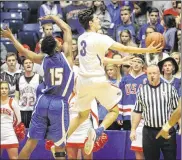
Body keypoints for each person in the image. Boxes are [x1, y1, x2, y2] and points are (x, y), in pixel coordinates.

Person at [66, 8, 162, 155]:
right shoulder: (99, 38)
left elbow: (98, 59)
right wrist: (146, 50)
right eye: (96, 19)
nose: (99, 20)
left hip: (83, 83)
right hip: (96, 80)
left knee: (82, 116)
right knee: (114, 111)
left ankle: (61, 139)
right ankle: (99, 130)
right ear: (91, 22)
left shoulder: (81, 38)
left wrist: (120, 60)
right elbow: (123, 47)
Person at [0, 14, 73, 159]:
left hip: (42, 102)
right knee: (59, 146)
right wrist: (53, 17)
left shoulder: (43, 59)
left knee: (31, 142)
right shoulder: (67, 56)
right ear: (57, 46)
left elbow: (23, 52)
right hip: (58, 103)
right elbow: (67, 29)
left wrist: (11, 37)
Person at [130, 65, 179, 160]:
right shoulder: (142, 90)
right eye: (149, 73)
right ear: (146, 75)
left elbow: (177, 110)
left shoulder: (170, 89)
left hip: (167, 129)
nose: (152, 75)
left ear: (159, 74)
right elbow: (137, 111)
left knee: (170, 157)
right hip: (149, 131)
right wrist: (133, 129)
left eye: (154, 73)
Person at [120, 54, 147, 159]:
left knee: (141, 142)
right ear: (130, 63)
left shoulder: (146, 78)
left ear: (142, 65)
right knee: (129, 142)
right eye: (134, 61)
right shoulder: (124, 79)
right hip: (126, 114)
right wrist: (119, 115)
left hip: (142, 115)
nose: (136, 64)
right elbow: (120, 97)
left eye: (139, 62)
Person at [15, 58, 43, 128]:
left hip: (35, 110)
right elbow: (16, 96)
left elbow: (43, 95)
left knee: (34, 133)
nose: (28, 64)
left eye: (30, 63)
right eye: (26, 63)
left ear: (33, 65)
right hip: (22, 111)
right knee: (22, 133)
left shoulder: (39, 78)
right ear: (23, 66)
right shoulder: (19, 79)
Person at [0, 81, 21, 159]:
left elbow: (18, 120)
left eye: (6, 88)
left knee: (14, 158)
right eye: (2, 88)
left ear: (8, 90)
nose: (4, 90)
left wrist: (9, 127)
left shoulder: (13, 102)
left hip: (9, 134)